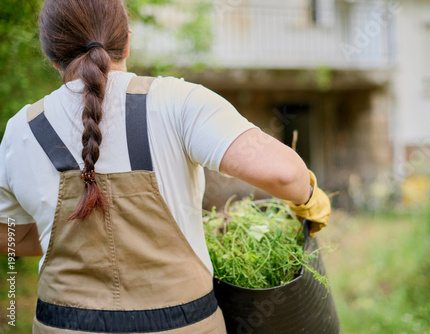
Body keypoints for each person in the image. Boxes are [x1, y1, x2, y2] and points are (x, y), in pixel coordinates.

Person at [0, 0, 331, 333]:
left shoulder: (21, 130)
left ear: (52, 56)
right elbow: (285, 174)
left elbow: (8, 235)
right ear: (127, 40)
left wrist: (65, 232)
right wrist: (310, 196)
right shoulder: (177, 101)